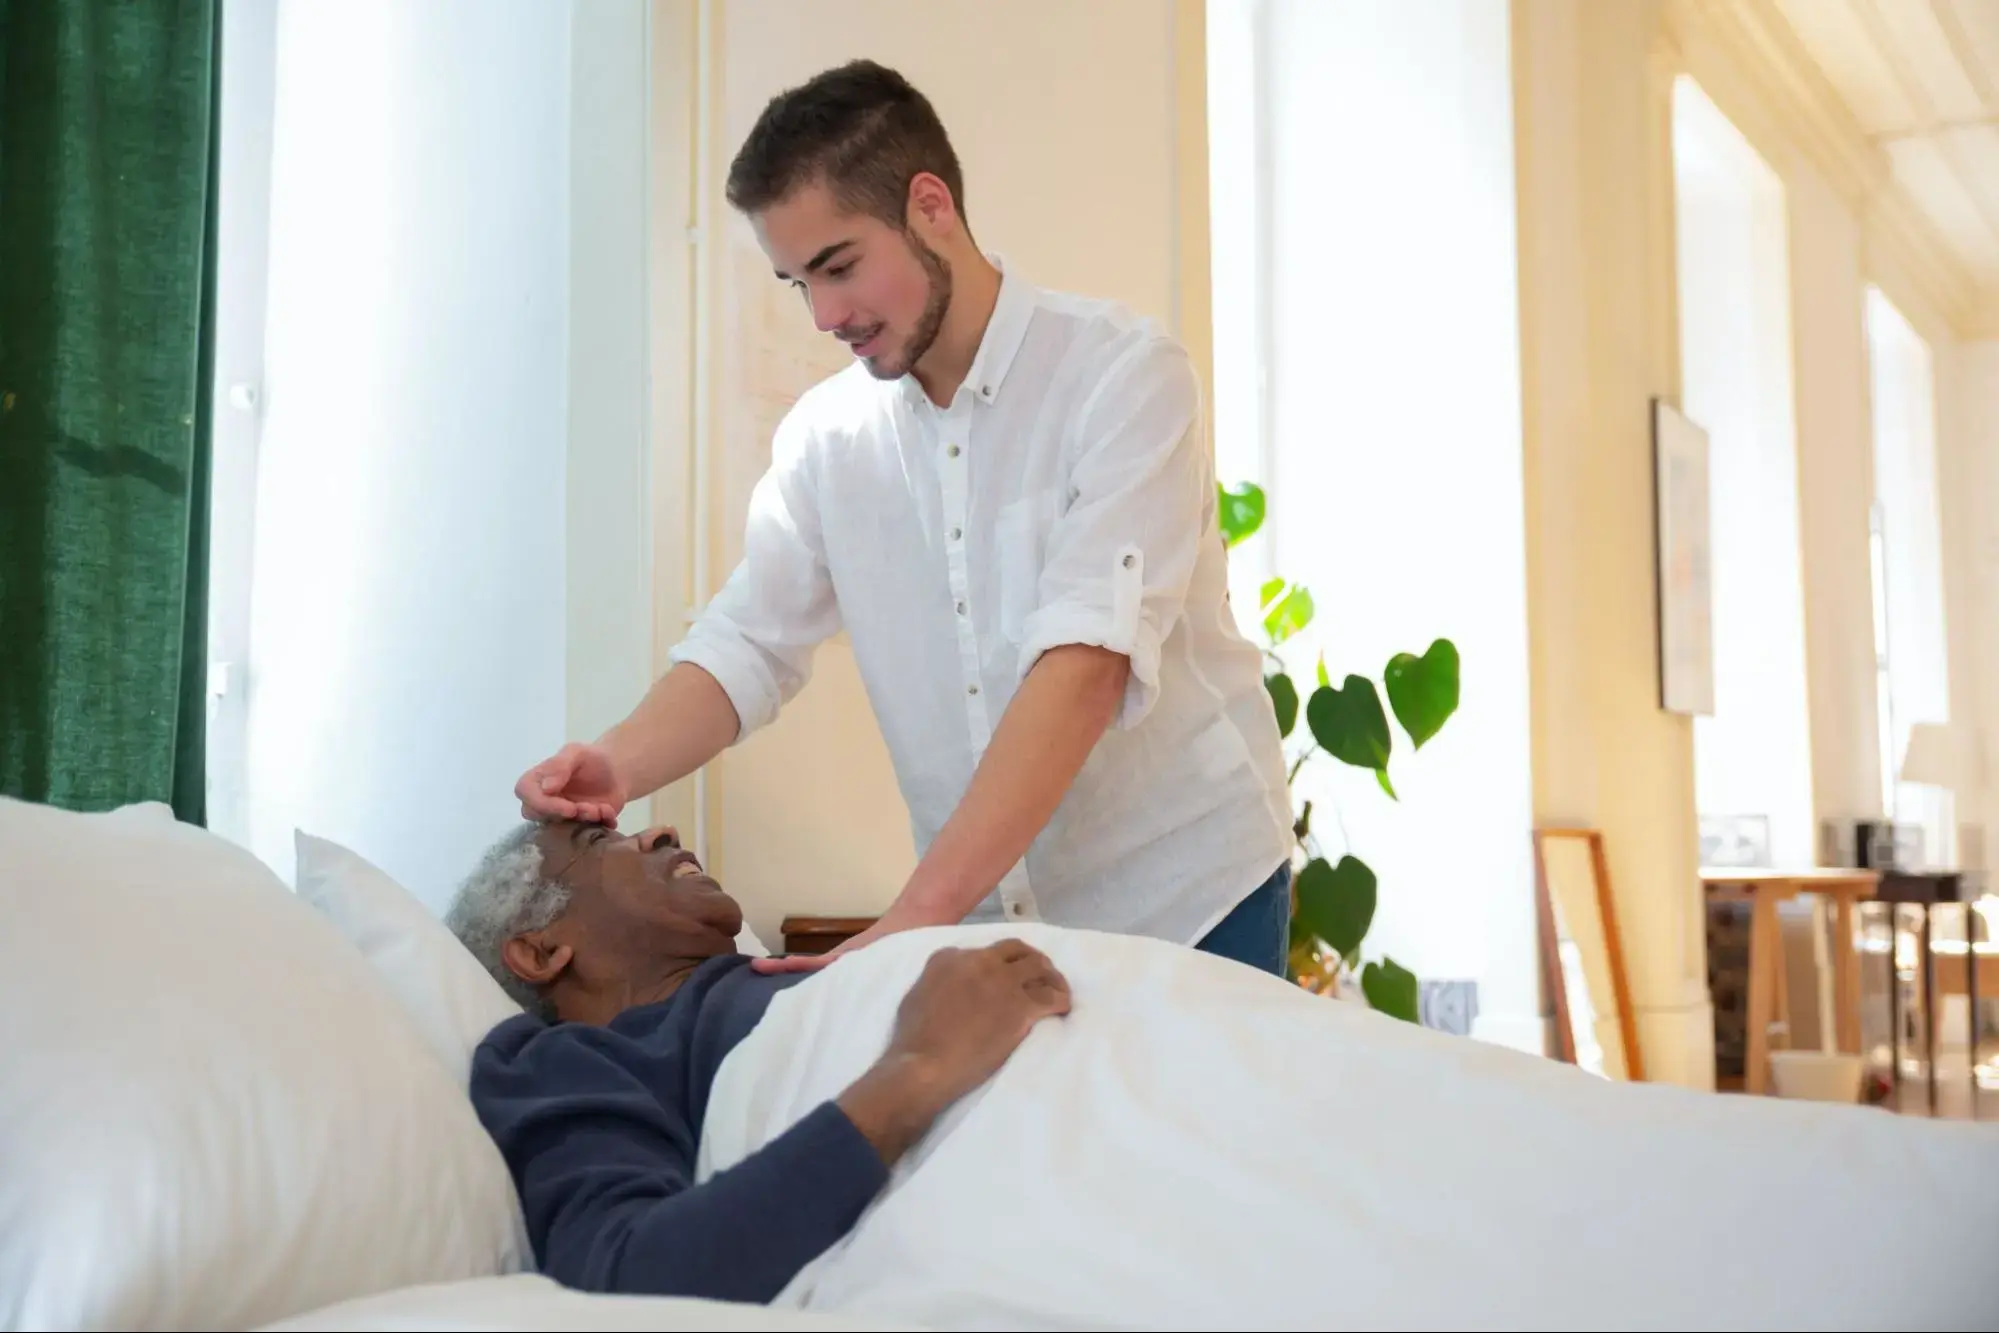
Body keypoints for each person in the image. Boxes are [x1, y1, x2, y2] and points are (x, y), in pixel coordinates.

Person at [513, 59, 1293, 976]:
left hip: (1188, 893)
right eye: (797, 281)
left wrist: (915, 916)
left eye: (839, 266)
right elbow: (747, 643)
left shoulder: (1121, 377)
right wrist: (619, 764)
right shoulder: (825, 441)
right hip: (989, 917)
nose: (824, 314)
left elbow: (1085, 665)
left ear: (931, 207)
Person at [446, 817, 1071, 1304]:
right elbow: (627, 1282)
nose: (662, 831)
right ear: (542, 950)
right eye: (596, 839)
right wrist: (917, 1069)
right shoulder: (565, 1061)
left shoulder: (786, 981)